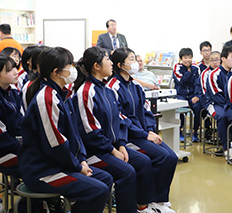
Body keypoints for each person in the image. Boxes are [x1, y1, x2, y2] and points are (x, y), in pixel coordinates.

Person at [19, 47, 113, 213]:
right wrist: (77, 167)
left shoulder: (63, 94)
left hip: (59, 164)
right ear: (56, 72)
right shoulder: (46, 98)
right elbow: (55, 144)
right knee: (98, 190)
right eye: (70, 64)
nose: (74, 68)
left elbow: (75, 135)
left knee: (105, 179)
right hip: (43, 171)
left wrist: (82, 160)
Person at [73, 46, 156, 213]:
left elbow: (118, 122)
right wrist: (112, 150)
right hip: (94, 152)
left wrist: (122, 145)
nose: (111, 64)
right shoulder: (86, 92)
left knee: (143, 161)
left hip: (111, 147)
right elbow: (91, 132)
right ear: (97, 66)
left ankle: (142, 205)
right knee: (127, 172)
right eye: (107, 60)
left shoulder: (108, 90)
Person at [108, 47, 177, 213]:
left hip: (143, 134)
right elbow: (120, 118)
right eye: (131, 59)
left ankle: (159, 200)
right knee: (160, 157)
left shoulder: (135, 85)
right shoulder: (113, 87)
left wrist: (150, 131)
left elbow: (146, 111)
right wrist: (144, 134)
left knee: (171, 157)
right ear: (120, 65)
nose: (136, 63)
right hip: (128, 137)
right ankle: (145, 203)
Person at [0, 54, 23, 178]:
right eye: (9, 70)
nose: (16, 72)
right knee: (33, 165)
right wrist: (22, 148)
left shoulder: (13, 90)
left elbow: (21, 121)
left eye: (15, 67)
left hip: (11, 146)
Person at [206, 46, 232, 156]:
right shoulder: (213, 74)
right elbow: (216, 95)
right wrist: (231, 106)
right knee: (223, 116)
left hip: (228, 103)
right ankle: (226, 148)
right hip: (214, 103)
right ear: (223, 59)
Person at [172, 48, 202, 142]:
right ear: (181, 59)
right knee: (181, 108)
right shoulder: (177, 67)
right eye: (185, 57)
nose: (188, 60)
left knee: (197, 107)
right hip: (181, 94)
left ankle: (195, 131)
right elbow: (180, 81)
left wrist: (197, 96)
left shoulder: (196, 68)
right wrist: (188, 72)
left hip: (193, 94)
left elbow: (198, 83)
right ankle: (180, 131)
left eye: (189, 57)